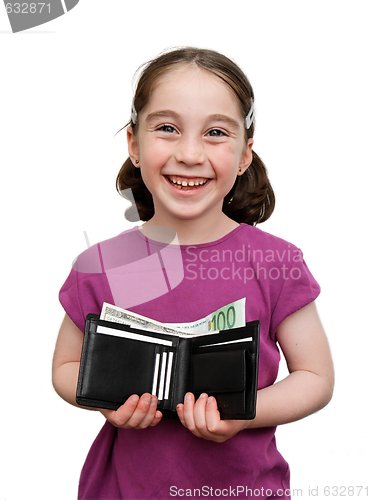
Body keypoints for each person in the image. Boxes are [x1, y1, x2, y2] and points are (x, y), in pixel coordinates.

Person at [52, 47, 334, 500]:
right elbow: (66, 366)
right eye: (167, 128)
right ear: (134, 144)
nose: (189, 153)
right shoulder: (108, 265)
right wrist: (106, 402)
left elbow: (316, 378)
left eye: (216, 133)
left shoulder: (274, 262)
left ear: (244, 155)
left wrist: (245, 412)